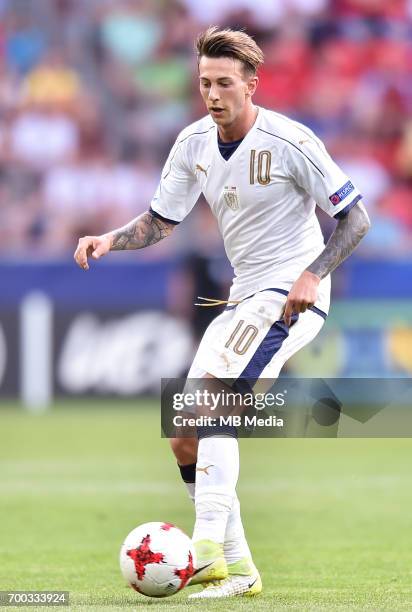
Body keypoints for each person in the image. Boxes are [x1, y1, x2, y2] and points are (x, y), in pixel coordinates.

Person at [74, 27, 370, 599]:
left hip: (289, 295)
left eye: (225, 83)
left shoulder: (292, 141)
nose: (212, 94)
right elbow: (162, 220)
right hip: (243, 297)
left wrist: (314, 273)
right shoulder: (192, 144)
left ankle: (205, 548)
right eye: (205, 83)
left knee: (211, 403)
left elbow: (355, 220)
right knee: (184, 434)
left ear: (251, 85)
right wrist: (109, 238)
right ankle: (241, 569)